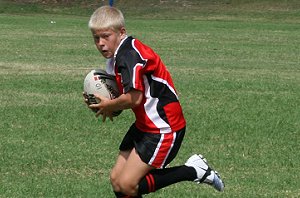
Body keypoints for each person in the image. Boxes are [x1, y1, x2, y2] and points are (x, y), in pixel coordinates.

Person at [84, 5, 225, 197]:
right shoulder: (118, 55)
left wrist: (109, 104)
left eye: (106, 36)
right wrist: (102, 103)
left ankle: (194, 171)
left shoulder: (129, 56)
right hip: (145, 124)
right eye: (96, 38)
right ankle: (195, 170)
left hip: (164, 126)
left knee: (128, 184)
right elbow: (123, 96)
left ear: (121, 32)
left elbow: (134, 98)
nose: (100, 43)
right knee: (117, 180)